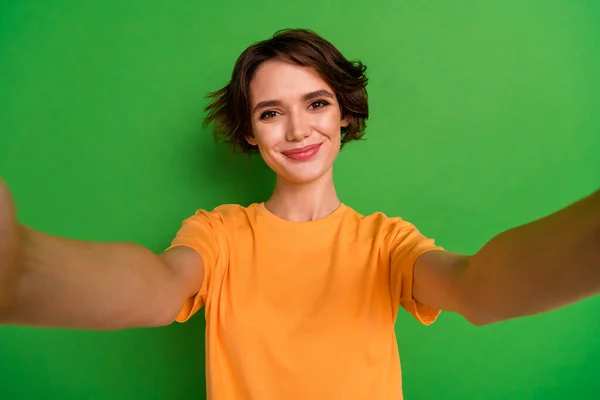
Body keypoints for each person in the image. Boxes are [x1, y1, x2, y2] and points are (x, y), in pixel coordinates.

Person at [0, 28, 598, 400]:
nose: (297, 129)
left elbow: (476, 286)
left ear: (343, 114)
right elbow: (158, 288)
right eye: (269, 112)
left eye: (316, 102)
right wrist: (21, 268)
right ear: (251, 133)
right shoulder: (219, 233)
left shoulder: (386, 242)